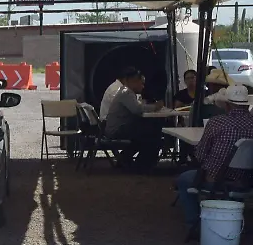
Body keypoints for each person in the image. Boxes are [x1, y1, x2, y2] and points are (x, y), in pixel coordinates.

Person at [174, 84, 253, 224]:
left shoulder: (217, 122)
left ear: (227, 105)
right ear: (247, 105)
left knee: (183, 179)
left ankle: (195, 224)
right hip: (247, 180)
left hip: (217, 179)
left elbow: (200, 155)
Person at [103, 70, 165, 171]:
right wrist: (155, 106)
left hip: (117, 128)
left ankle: (128, 159)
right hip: (118, 129)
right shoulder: (126, 92)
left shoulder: (126, 92)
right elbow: (137, 109)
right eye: (141, 83)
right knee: (152, 132)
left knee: (149, 131)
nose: (143, 86)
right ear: (133, 81)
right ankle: (143, 164)